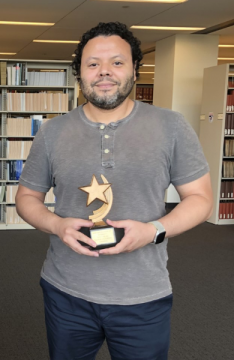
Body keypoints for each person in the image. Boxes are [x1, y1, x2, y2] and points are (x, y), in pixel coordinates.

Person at [15, 22, 213, 360]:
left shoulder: (171, 125)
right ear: (79, 72)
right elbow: (26, 198)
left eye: (117, 62)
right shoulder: (52, 132)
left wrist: (154, 230)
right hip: (66, 292)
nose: (104, 72)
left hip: (143, 295)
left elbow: (201, 199)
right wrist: (56, 224)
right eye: (93, 63)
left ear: (135, 69)